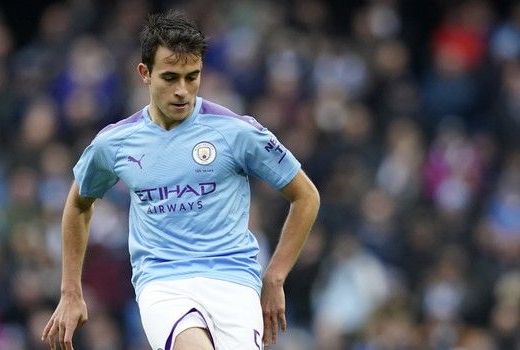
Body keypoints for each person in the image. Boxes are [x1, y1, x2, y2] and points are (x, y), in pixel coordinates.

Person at [42, 10, 319, 350]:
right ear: (145, 73)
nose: (182, 91)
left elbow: (305, 195)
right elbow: (78, 203)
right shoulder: (114, 143)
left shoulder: (236, 131)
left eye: (192, 77)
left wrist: (275, 276)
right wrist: (71, 292)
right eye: (170, 77)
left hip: (234, 280)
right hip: (163, 282)